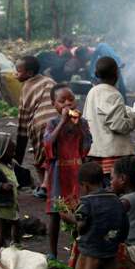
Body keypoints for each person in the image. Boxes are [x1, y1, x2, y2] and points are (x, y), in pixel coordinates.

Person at [59, 161, 129, 269]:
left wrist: (68, 217)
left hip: (92, 248)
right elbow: (124, 222)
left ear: (85, 185)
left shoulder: (87, 202)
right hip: (111, 246)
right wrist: (119, 239)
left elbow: (81, 224)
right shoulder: (115, 199)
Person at [43, 83, 92, 259]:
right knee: (56, 213)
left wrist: (76, 124)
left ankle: (76, 251)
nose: (67, 104)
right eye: (62, 101)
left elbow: (87, 144)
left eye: (70, 99)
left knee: (77, 210)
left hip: (77, 171)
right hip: (58, 172)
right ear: (53, 104)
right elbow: (48, 144)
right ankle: (52, 252)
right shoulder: (52, 123)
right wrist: (63, 121)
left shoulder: (83, 122)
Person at [83, 56, 135, 186]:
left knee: (102, 187)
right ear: (117, 74)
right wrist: (134, 117)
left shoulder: (92, 92)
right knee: (116, 187)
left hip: (97, 151)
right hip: (114, 154)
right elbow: (119, 125)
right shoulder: (114, 94)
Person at [15, 55, 57, 198]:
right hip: (59, 120)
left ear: (30, 74)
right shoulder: (49, 81)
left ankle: (44, 187)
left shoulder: (26, 87)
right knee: (56, 154)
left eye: (18, 71)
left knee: (41, 158)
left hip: (41, 123)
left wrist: (17, 162)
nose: (15, 74)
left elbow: (23, 124)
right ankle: (54, 185)